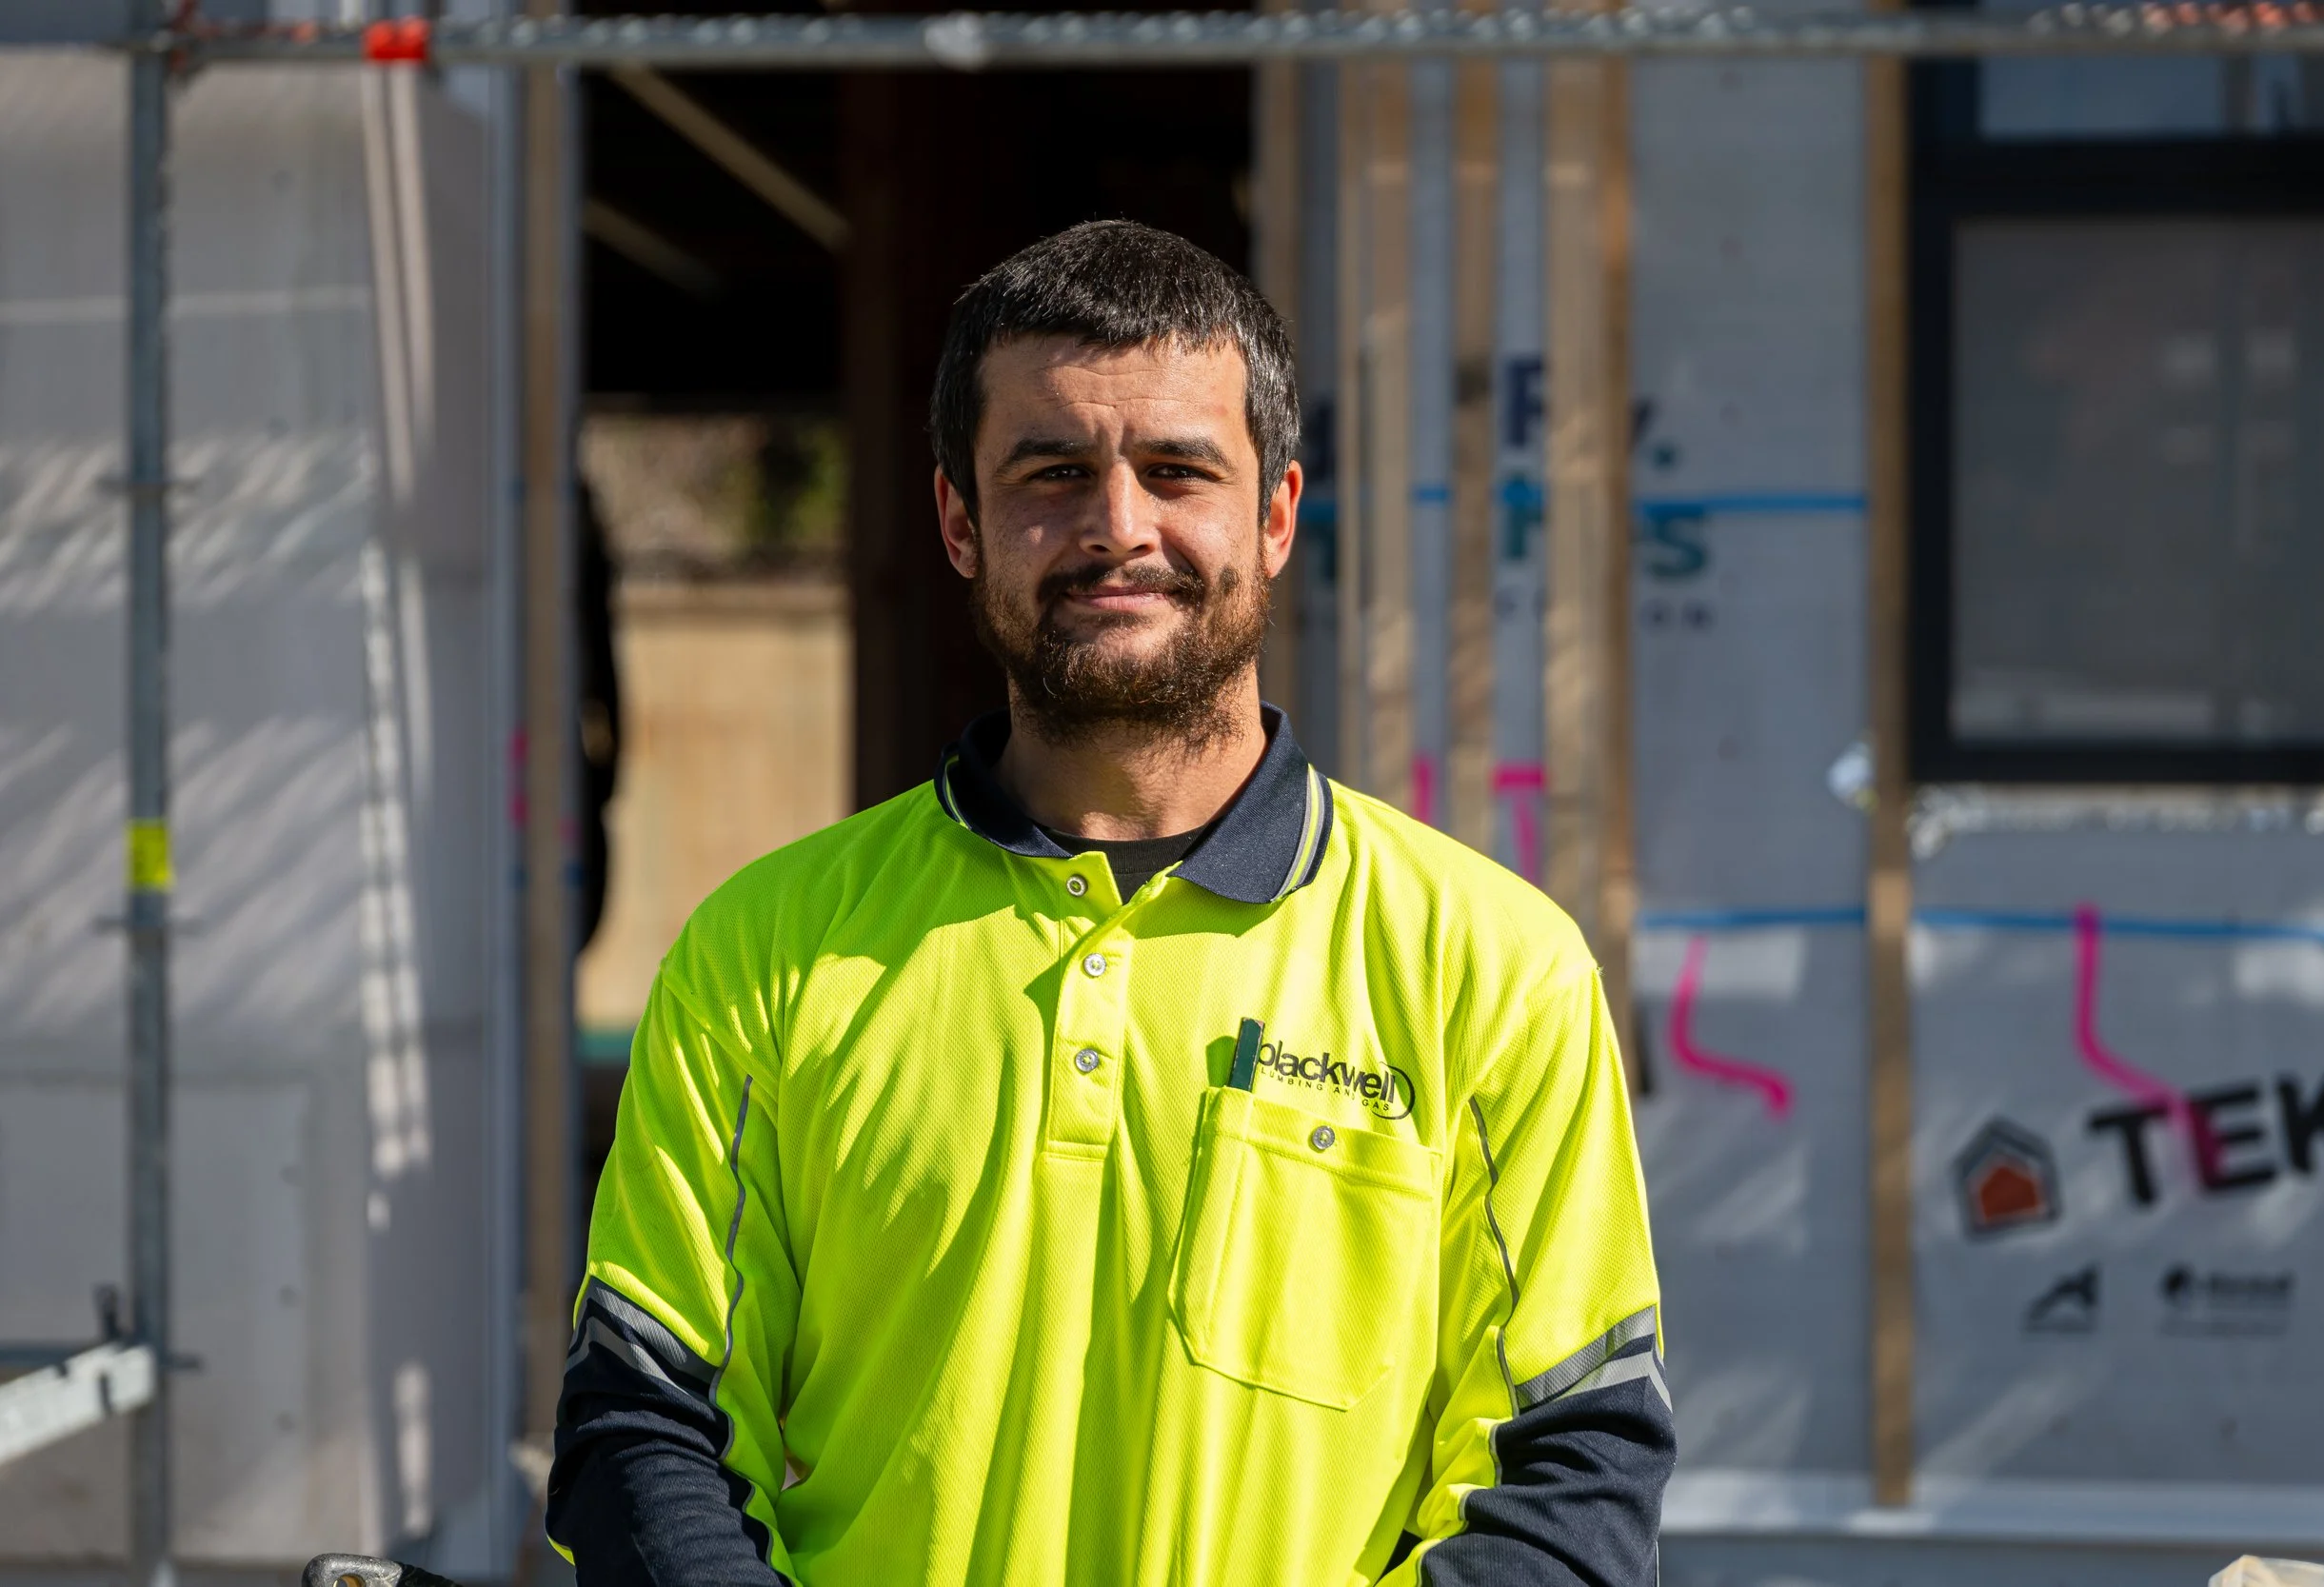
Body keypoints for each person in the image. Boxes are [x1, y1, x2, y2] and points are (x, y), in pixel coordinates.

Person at [546, 219, 1672, 1587]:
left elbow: (1572, 1468)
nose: (1118, 526)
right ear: (960, 520)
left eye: (1179, 471)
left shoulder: (1491, 970)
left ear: (1275, 514)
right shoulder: (767, 951)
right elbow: (644, 1418)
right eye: (1053, 473)